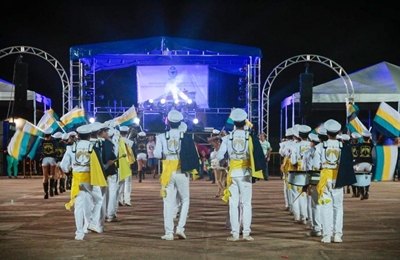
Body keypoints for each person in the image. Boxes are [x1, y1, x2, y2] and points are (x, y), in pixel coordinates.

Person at [217, 108, 265, 241]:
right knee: (246, 203)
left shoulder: (227, 138)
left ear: (233, 122)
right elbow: (257, 155)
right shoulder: (250, 137)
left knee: (234, 204)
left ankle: (235, 234)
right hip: (246, 173)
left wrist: (226, 162)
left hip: (232, 174)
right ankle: (246, 233)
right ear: (245, 122)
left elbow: (220, 155)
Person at [154, 109, 199, 241]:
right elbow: (193, 155)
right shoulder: (185, 137)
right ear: (180, 123)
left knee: (168, 203)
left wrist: (166, 154)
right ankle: (180, 228)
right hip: (182, 170)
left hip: (168, 170)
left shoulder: (161, 137)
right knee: (185, 200)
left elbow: (157, 154)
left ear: (167, 122)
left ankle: (168, 233)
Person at [313, 119, 344, 243]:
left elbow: (316, 165)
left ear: (327, 133)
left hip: (325, 178)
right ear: (338, 132)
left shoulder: (320, 146)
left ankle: (326, 235)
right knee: (338, 207)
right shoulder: (343, 146)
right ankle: (337, 235)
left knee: (326, 206)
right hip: (338, 178)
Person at [60, 124, 94, 240]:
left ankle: (79, 232)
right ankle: (87, 226)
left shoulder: (71, 148)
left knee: (78, 206)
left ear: (78, 135)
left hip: (77, 178)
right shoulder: (93, 146)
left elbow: (63, 165)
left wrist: (68, 172)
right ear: (89, 135)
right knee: (89, 203)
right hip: (90, 178)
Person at [118, 125, 135, 207]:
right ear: (127, 132)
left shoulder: (117, 141)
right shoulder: (129, 142)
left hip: (119, 164)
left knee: (120, 183)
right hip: (127, 164)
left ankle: (120, 199)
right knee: (127, 183)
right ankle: (127, 200)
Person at [39, 129, 57, 199]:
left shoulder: (41, 141)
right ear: (50, 134)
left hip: (44, 159)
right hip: (52, 158)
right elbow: (56, 149)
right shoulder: (54, 141)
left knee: (45, 176)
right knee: (52, 174)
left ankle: (46, 193)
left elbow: (39, 150)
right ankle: (51, 189)